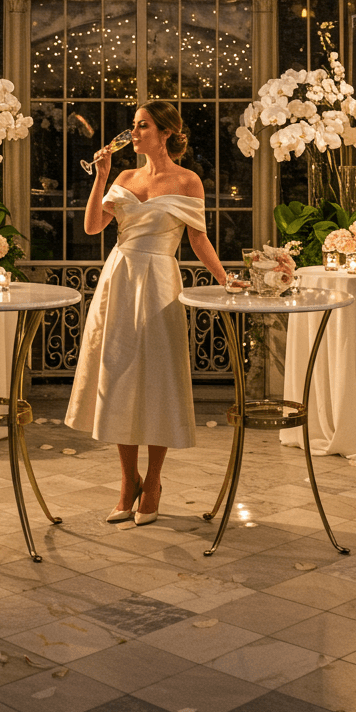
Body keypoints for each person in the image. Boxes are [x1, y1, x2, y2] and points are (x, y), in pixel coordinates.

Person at [65, 100, 229, 525]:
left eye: (142, 126)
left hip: (158, 282)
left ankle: (153, 482)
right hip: (119, 280)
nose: (133, 133)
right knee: (117, 377)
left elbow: (198, 239)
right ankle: (128, 481)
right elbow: (92, 227)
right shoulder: (123, 177)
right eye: (133, 126)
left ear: (166, 132)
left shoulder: (188, 180)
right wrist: (101, 177)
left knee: (158, 380)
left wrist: (225, 278)